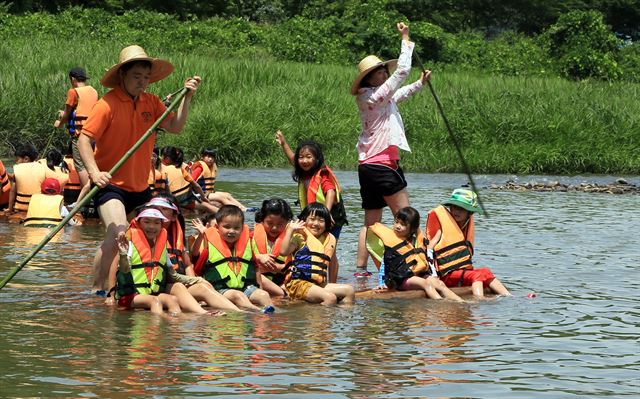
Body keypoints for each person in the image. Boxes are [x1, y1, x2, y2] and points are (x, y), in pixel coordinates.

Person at [77, 44, 201, 294]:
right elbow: (83, 140)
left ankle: (140, 287)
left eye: (146, 77)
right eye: (137, 76)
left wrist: (187, 97)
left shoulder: (151, 102)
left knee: (149, 237)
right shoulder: (107, 104)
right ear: (122, 75)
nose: (143, 82)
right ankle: (97, 290)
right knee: (116, 235)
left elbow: (175, 127)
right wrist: (94, 173)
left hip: (141, 187)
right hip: (110, 184)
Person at [352, 22, 431, 276]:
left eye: (384, 70)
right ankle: (420, 265)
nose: (384, 73)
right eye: (378, 72)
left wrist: (420, 83)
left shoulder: (373, 97)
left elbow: (400, 94)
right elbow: (403, 70)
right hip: (383, 165)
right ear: (368, 78)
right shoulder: (373, 96)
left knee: (371, 223)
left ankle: (361, 271)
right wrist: (405, 38)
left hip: (367, 166)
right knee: (406, 217)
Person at [114, 207, 222, 316]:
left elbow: (173, 276)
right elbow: (124, 269)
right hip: (131, 296)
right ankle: (164, 320)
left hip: (152, 293)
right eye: (146, 222)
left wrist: (197, 280)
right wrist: (123, 254)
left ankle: (182, 321)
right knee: (154, 301)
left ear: (161, 226)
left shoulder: (161, 248)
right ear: (138, 223)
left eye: (157, 223)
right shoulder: (130, 245)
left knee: (172, 300)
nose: (151, 226)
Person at [146, 196, 242, 312]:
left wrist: (193, 281)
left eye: (164, 209)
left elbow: (187, 265)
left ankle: (239, 313)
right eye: (155, 208)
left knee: (203, 287)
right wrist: (194, 281)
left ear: (174, 216)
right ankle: (204, 313)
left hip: (178, 281)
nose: (158, 212)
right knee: (181, 286)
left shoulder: (175, 236)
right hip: (160, 285)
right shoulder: (148, 234)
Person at [275, 130, 347, 283]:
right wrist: (284, 144)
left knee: (329, 250)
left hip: (331, 216)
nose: (304, 161)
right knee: (308, 246)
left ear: (316, 158)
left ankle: (331, 283)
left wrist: (326, 216)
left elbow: (330, 193)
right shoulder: (304, 173)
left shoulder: (323, 173)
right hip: (314, 217)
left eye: (309, 157)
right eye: (301, 157)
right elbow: (293, 160)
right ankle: (307, 277)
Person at [425, 188, 511, 299]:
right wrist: (434, 275)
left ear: (469, 213)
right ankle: (479, 300)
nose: (456, 211)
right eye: (454, 207)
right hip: (446, 274)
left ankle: (509, 296)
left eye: (461, 209)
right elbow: (429, 249)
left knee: (486, 271)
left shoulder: (464, 227)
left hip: (461, 272)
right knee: (477, 275)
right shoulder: (441, 228)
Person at [366, 207, 463, 301]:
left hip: (417, 275)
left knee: (439, 284)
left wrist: (433, 274)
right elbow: (385, 264)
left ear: (412, 229)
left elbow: (427, 258)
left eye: (403, 224)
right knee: (426, 284)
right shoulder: (390, 244)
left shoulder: (416, 241)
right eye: (396, 222)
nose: (398, 226)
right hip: (400, 279)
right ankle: (440, 303)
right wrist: (382, 283)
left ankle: (460, 301)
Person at [193, 205, 275, 313]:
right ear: (217, 227)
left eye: (236, 228)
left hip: (246, 287)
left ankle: (271, 312)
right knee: (238, 296)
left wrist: (260, 288)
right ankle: (256, 311)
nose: (231, 231)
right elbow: (194, 255)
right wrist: (201, 235)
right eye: (227, 227)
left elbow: (255, 268)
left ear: (242, 229)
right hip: (220, 289)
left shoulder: (246, 244)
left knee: (264, 295)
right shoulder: (208, 242)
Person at [280, 202, 355, 306]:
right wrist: (290, 231)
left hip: (317, 284)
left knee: (349, 291)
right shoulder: (300, 237)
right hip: (298, 284)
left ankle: (341, 319)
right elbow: (283, 252)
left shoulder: (329, 239)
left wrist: (333, 283)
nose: (316, 223)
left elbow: (333, 263)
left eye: (321, 221)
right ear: (304, 220)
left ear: (327, 223)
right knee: (330, 297)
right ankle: (318, 320)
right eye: (312, 219)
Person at [54, 67, 98, 206]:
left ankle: (88, 198)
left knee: (81, 166)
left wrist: (59, 123)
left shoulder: (73, 92)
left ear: (73, 79)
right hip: (94, 135)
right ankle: (91, 195)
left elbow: (67, 115)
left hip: (80, 136)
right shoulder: (93, 91)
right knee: (91, 163)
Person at [251, 198, 294, 298]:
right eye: (270, 223)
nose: (274, 228)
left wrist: (274, 267)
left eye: (280, 224)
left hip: (284, 283)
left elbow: (300, 266)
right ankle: (281, 295)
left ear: (288, 222)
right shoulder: (250, 237)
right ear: (262, 220)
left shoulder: (294, 240)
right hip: (260, 282)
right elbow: (240, 260)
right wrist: (258, 257)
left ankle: (282, 294)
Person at [160, 146, 218, 213]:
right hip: (185, 200)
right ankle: (225, 216)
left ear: (166, 158)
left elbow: (165, 188)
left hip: (175, 199)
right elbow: (196, 186)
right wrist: (203, 197)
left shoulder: (162, 170)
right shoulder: (180, 169)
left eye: (161, 155)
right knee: (207, 206)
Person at [7, 144, 46, 215]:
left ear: (26, 159)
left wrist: (10, 209)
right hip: (37, 208)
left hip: (20, 209)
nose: (16, 162)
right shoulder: (42, 167)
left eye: (17, 159)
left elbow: (13, 191)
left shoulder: (19, 169)